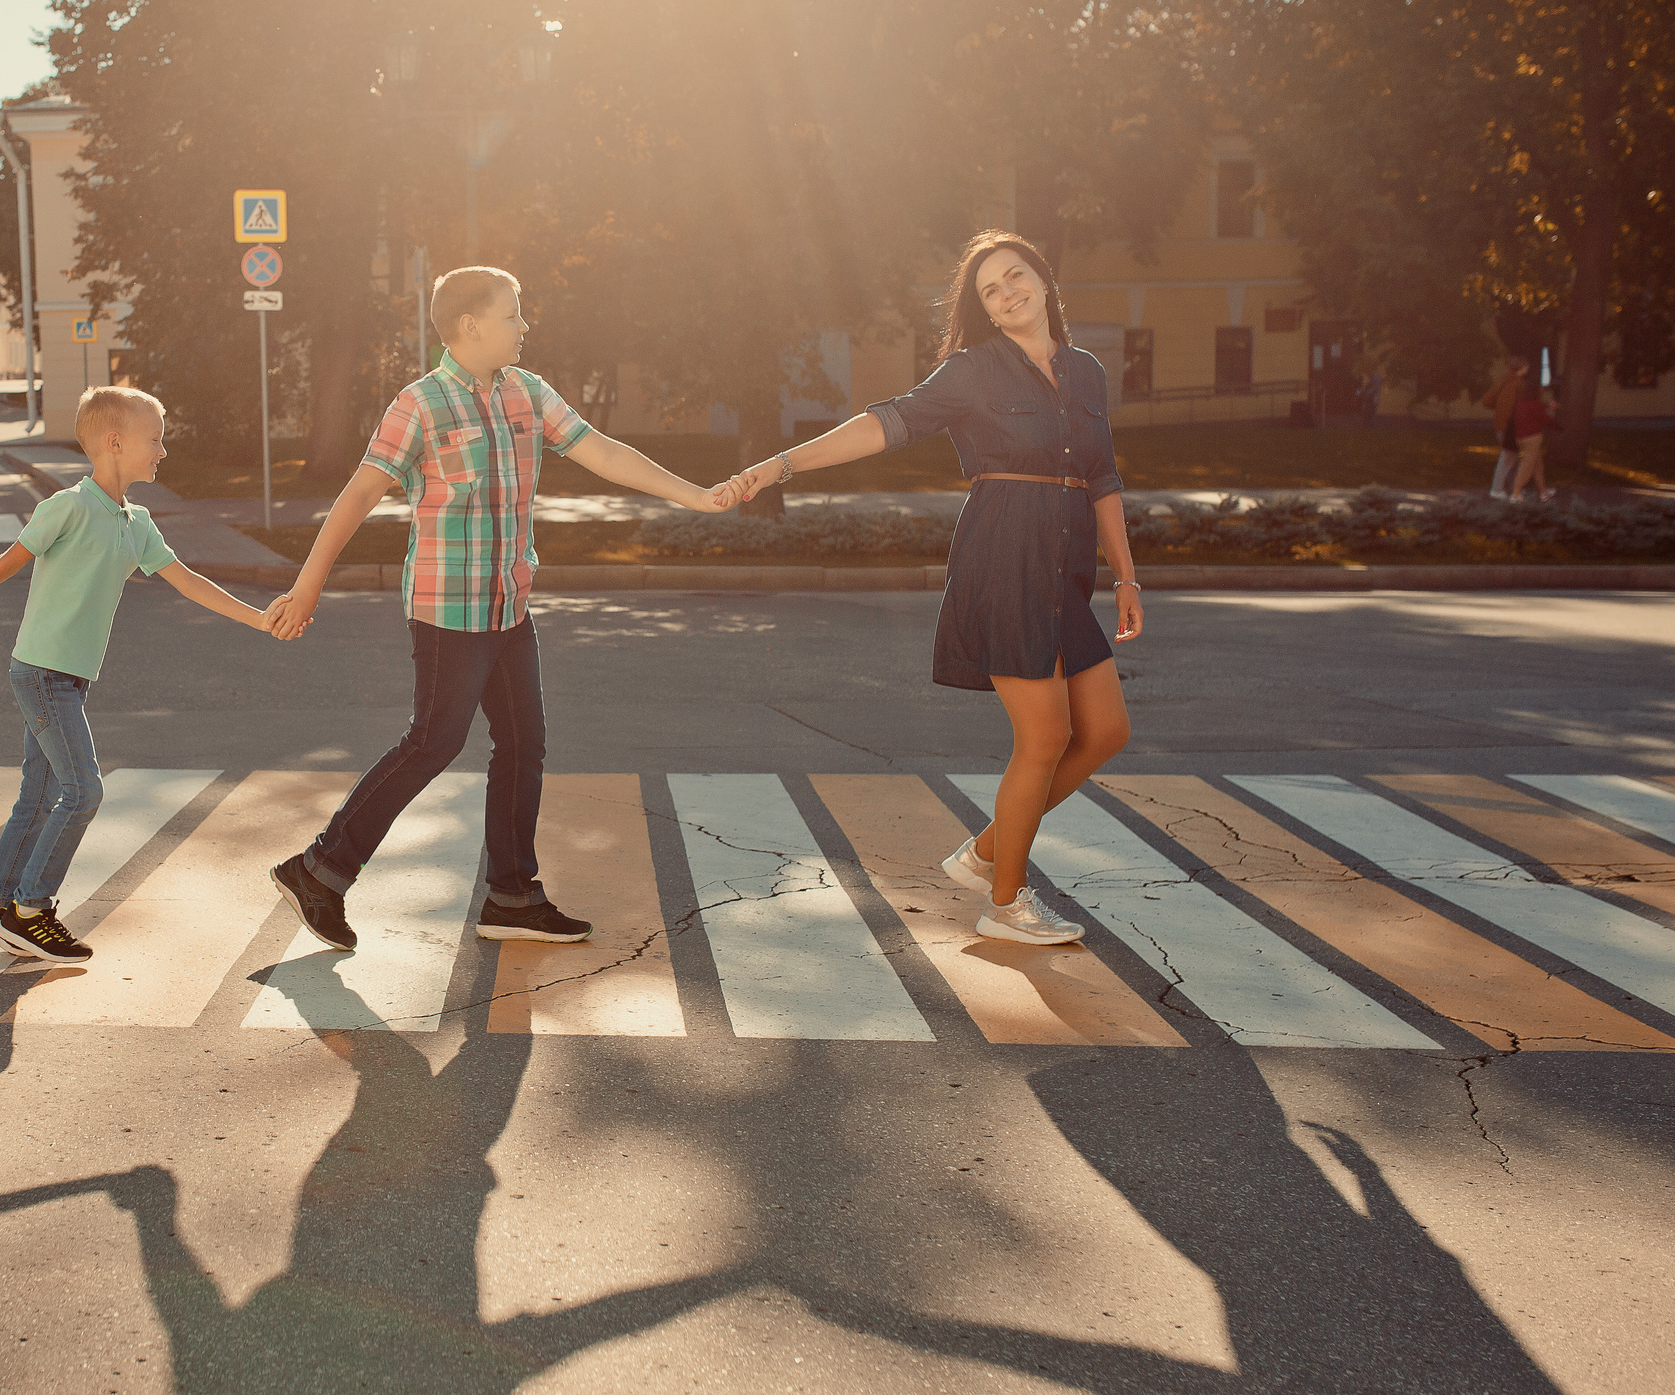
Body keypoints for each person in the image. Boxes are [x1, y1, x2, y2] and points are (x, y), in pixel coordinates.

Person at [260, 265, 736, 951]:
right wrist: (307, 585)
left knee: (523, 743)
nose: (525, 326)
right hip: (448, 609)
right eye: (514, 314)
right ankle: (319, 869)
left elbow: (600, 449)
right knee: (434, 742)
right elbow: (360, 494)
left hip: (508, 604)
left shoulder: (527, 393)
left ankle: (512, 895)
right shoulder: (419, 404)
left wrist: (695, 495)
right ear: (469, 327)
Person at [721, 230, 1142, 946]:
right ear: (984, 309)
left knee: (1104, 731)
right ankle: (1005, 904)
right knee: (1044, 736)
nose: (1008, 293)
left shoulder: (1088, 372)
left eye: (1016, 276)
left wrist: (1125, 572)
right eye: (990, 291)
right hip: (1003, 553)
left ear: (1042, 278)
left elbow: (1101, 475)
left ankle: (985, 852)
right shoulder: (973, 370)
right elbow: (890, 420)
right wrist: (781, 466)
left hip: (1066, 564)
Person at [0, 386, 278, 964]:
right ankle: (32, 910)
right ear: (114, 442)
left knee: (39, 792)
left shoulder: (135, 520)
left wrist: (259, 619)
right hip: (41, 674)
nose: (163, 451)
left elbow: (187, 581)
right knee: (83, 790)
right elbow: (4, 564)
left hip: (69, 678)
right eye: (154, 440)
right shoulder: (68, 507)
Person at [1481, 357, 1531, 500]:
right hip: (1510, 425)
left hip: (1500, 424)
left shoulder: (1501, 381)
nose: (1528, 369)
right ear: (1522, 367)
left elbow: (1487, 401)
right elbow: (1513, 407)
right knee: (1508, 456)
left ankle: (1514, 489)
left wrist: (1498, 410)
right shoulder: (1518, 384)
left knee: (1512, 457)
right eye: (1526, 366)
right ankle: (1497, 489)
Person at [1506, 375, 1559, 503]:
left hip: (1521, 438)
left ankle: (1543, 493)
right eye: (1540, 388)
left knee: (1537, 466)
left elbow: (1538, 408)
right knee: (1527, 466)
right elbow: (1546, 419)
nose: (1542, 390)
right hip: (1532, 439)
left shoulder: (1520, 403)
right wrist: (1553, 413)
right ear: (1535, 390)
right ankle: (1515, 494)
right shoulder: (1534, 404)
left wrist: (1547, 405)